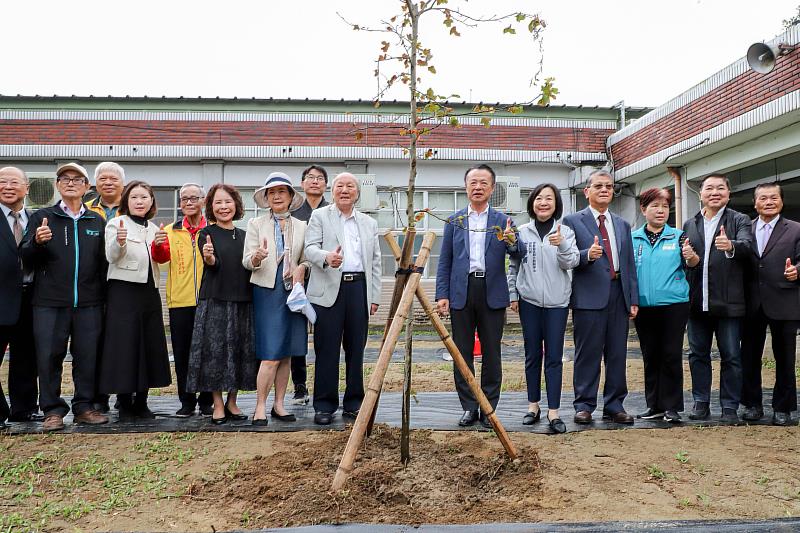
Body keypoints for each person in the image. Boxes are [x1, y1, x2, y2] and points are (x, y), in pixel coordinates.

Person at [19, 162, 109, 431]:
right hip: (48, 302)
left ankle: (84, 407)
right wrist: (37, 242)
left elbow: (104, 263)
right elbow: (24, 255)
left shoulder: (96, 220)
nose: (70, 183)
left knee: (87, 356)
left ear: (87, 187)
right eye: (64, 179)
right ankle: (52, 410)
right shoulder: (42, 217)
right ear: (57, 185)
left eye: (77, 179)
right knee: (48, 357)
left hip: (89, 303)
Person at [435, 164, 519, 428]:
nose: (478, 187)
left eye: (484, 183)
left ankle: (488, 408)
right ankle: (469, 406)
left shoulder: (503, 220)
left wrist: (511, 241)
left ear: (492, 188)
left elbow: (519, 254)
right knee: (462, 353)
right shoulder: (455, 220)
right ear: (466, 186)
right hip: (462, 291)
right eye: (473, 182)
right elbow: (444, 261)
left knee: (492, 353)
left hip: (492, 291)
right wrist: (442, 294)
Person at [562, 169, 638, 425]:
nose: (604, 190)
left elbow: (629, 264)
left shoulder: (622, 224)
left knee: (617, 353)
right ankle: (584, 404)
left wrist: (632, 298)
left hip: (619, 294)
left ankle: (615, 405)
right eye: (598, 186)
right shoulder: (572, 221)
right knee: (588, 353)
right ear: (587, 191)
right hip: (588, 296)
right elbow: (566, 257)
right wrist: (587, 255)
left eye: (608, 186)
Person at [305, 172, 381, 425]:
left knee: (356, 350)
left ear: (357, 193)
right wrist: (327, 257)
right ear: (332, 190)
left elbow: (375, 262)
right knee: (326, 349)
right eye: (340, 185)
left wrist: (374, 296)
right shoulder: (320, 216)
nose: (345, 190)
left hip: (358, 289)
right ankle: (324, 405)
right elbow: (309, 248)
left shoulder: (369, 223)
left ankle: (354, 402)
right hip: (328, 290)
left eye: (350, 186)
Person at [682, 173, 752, 424]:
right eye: (709, 189)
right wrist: (689, 257)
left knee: (731, 356)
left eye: (720, 188)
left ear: (728, 194)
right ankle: (701, 402)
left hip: (728, 301)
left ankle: (730, 406)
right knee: (697, 354)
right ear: (700, 194)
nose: (715, 192)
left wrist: (731, 245)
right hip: (697, 302)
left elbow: (748, 246)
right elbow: (688, 262)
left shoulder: (740, 220)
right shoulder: (690, 224)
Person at [98, 180, 171, 419]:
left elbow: (160, 260)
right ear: (126, 201)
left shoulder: (153, 228)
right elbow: (111, 256)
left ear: (151, 201)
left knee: (148, 344)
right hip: (123, 291)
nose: (139, 202)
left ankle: (142, 399)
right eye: (134, 197)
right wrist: (119, 242)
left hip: (149, 292)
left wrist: (161, 246)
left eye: (144, 197)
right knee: (125, 345)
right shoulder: (116, 223)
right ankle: (124, 400)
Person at [508, 183, 578, 434]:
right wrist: (513, 294)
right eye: (539, 198)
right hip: (529, 301)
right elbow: (514, 265)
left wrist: (562, 245)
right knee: (532, 355)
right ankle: (533, 406)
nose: (543, 203)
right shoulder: (522, 232)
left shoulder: (565, 232)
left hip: (558, 303)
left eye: (549, 198)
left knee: (554, 357)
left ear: (556, 203)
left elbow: (571, 262)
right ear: (532, 203)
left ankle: (554, 411)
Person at [187, 184, 257, 424]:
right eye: (218, 203)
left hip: (243, 301)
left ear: (236, 205)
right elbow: (212, 263)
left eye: (228, 202)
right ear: (211, 207)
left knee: (239, 352)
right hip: (215, 300)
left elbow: (251, 264)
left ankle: (232, 402)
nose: (223, 207)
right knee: (214, 354)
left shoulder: (246, 235)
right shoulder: (206, 234)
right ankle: (217, 403)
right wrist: (209, 257)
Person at [245, 172, 311, 425]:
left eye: (281, 192)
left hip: (292, 292)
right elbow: (246, 260)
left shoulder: (302, 226)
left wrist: (302, 267)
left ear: (291, 196)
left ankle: (279, 405)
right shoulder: (255, 224)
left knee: (288, 352)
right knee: (270, 353)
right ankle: (259, 406)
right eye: (271, 193)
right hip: (267, 291)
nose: (276, 196)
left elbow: (307, 257)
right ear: (266, 197)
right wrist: (257, 257)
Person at [631, 188, 696, 423]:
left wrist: (690, 255)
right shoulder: (633, 238)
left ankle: (672, 407)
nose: (660, 211)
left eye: (665, 206)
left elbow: (693, 262)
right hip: (644, 307)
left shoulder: (678, 236)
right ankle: (654, 405)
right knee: (650, 355)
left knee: (670, 354)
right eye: (655, 206)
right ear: (643, 209)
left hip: (674, 305)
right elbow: (629, 274)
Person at [151, 182, 214, 417]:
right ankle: (186, 401)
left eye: (193, 198)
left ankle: (207, 400)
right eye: (184, 199)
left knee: (208, 353)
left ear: (203, 201)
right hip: (180, 301)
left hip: (209, 299)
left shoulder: (213, 229)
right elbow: (161, 258)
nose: (188, 203)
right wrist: (157, 246)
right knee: (182, 354)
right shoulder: (170, 230)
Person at [740, 183, 800, 426]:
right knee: (749, 357)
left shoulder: (795, 229)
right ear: (755, 203)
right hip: (752, 303)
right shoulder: (746, 229)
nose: (768, 202)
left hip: (784, 301)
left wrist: (797, 271)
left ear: (782, 202)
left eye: (773, 198)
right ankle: (752, 405)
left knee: (785, 358)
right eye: (763, 198)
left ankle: (783, 408)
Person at [84, 162, 125, 414]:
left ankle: (125, 393)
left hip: (122, 284)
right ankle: (99, 396)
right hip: (93, 284)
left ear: (122, 183)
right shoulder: (86, 209)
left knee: (122, 341)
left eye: (113, 179)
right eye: (103, 178)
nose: (108, 182)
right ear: (95, 183)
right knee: (95, 342)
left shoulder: (132, 208)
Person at [0, 167, 39, 426]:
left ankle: (23, 409)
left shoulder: (36, 219)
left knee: (26, 358)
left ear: (26, 187)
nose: (7, 186)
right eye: (2, 182)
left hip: (30, 298)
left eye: (14, 182)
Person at [288, 164, 329, 405]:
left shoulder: (332, 211)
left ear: (325, 185)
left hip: (325, 280)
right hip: (298, 281)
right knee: (297, 334)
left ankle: (323, 387)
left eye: (320, 178)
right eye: (310, 178)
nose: (315, 182)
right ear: (302, 184)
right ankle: (300, 386)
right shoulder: (294, 214)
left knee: (325, 334)